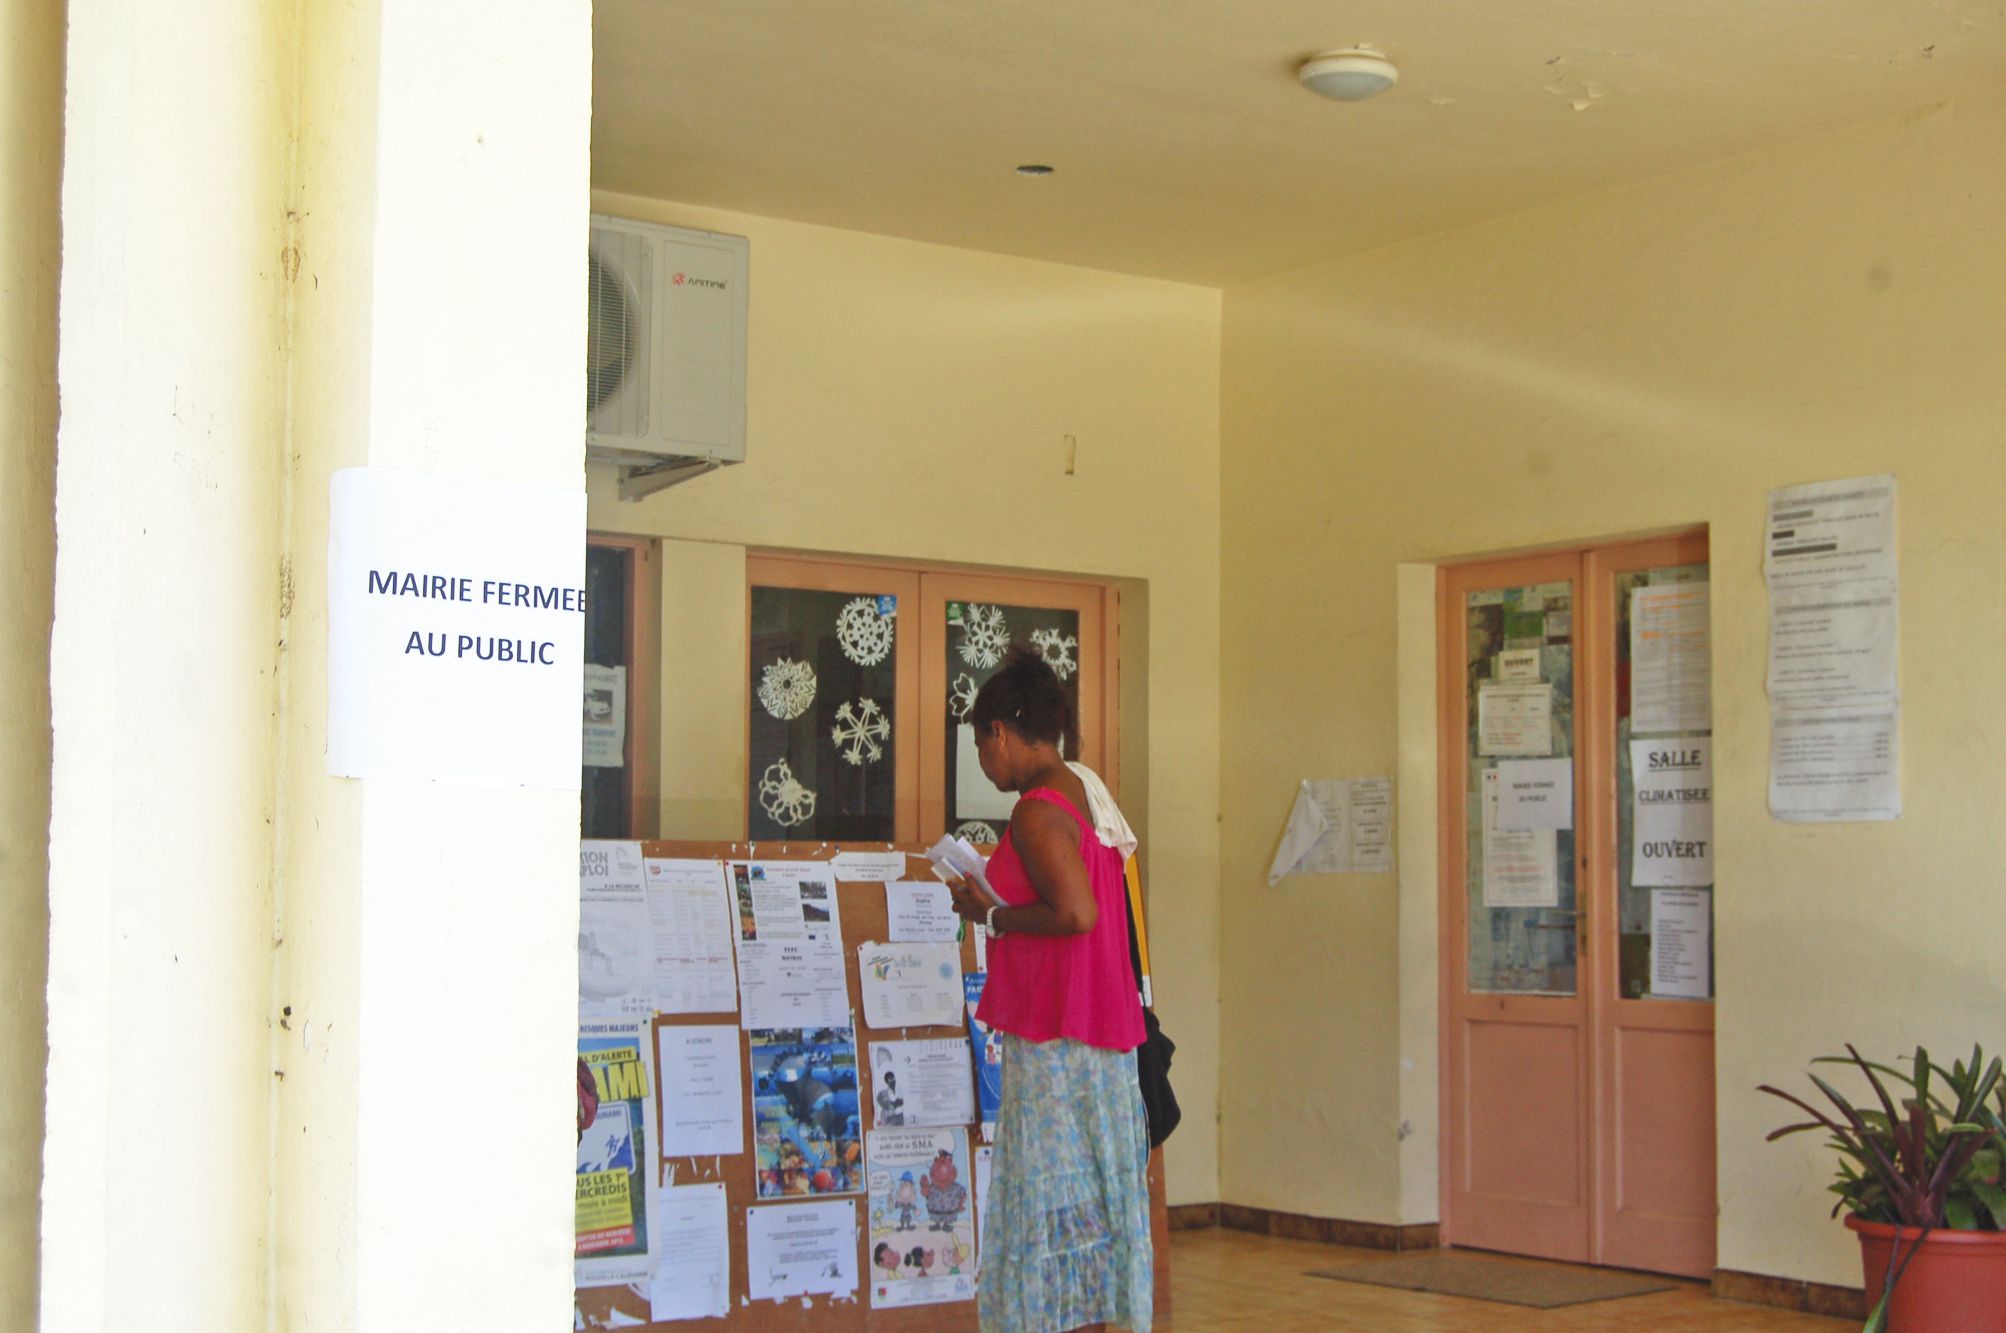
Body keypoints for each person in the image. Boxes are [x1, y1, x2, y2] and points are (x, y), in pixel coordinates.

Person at [945, 646, 1150, 1333]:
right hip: (1103, 1025)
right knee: (1093, 1195)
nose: (984, 763)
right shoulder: (1084, 786)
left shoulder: (1036, 810)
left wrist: (991, 914)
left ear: (1000, 732)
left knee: (1047, 1197)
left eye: (981, 746)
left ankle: (1047, 1318)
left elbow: (1076, 913)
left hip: (1062, 1031)